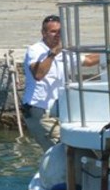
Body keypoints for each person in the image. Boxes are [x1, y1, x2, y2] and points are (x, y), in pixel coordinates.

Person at [21, 15, 99, 150]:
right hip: (39, 110)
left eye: (60, 32)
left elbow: (89, 60)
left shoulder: (65, 52)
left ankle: (71, 170)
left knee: (72, 148)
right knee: (61, 148)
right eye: (53, 31)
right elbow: (38, 74)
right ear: (44, 33)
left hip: (59, 111)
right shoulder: (35, 50)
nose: (57, 35)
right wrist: (52, 54)